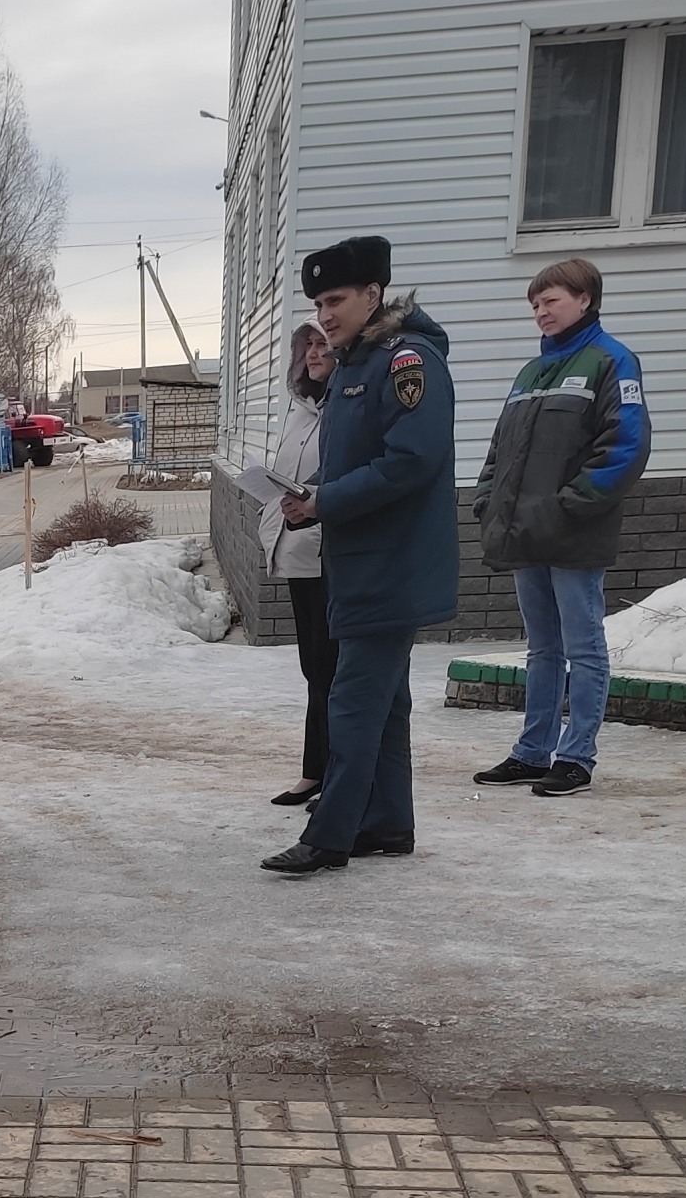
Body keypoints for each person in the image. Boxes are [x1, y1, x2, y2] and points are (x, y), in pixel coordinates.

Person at [264, 236, 456, 875]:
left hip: (388, 564)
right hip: (359, 560)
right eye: (317, 302)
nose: (325, 313)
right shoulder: (356, 361)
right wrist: (316, 497)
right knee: (386, 704)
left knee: (350, 703)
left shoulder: (406, 361)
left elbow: (410, 460)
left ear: (374, 293)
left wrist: (326, 502)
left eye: (336, 299)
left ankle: (329, 835)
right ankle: (386, 822)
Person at [471, 258, 651, 798]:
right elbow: (501, 448)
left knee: (584, 647)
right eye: (535, 304)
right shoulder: (531, 373)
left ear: (585, 300)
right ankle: (532, 752)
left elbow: (626, 445)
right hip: (526, 532)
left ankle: (576, 757)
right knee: (542, 649)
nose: (540, 312)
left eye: (551, 301)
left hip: (574, 533)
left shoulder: (612, 361)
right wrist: (486, 498)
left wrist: (571, 506)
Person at [259, 319, 337, 808]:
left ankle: (338, 777)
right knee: (314, 666)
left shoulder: (345, 408)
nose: (312, 352)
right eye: (306, 344)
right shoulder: (301, 412)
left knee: (332, 668)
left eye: (322, 343)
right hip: (297, 548)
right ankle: (315, 770)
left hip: (332, 553)